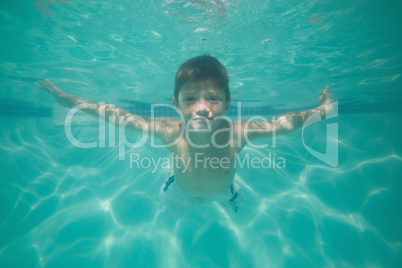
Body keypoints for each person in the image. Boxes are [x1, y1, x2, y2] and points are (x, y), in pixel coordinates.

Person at [39, 55, 332, 216]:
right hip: (178, 191)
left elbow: (283, 123)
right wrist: (72, 102)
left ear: (228, 103)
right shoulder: (169, 131)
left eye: (213, 99)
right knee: (169, 221)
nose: (202, 108)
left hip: (225, 192)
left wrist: (320, 110)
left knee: (239, 214)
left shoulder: (237, 133)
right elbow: (116, 115)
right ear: (176, 102)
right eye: (191, 98)